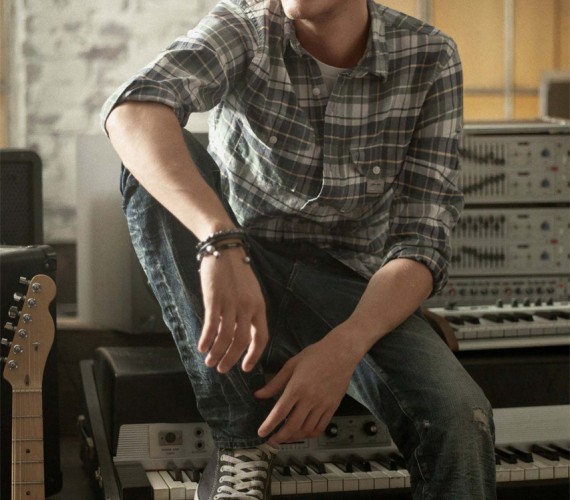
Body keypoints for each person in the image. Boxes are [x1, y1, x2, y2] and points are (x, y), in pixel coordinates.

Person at [102, 1, 497, 498]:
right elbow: (132, 110)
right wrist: (219, 240)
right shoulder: (244, 26)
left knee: (462, 417)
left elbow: (421, 243)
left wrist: (344, 348)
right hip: (244, 270)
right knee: (146, 169)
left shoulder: (430, 55)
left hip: (353, 291)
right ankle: (240, 443)